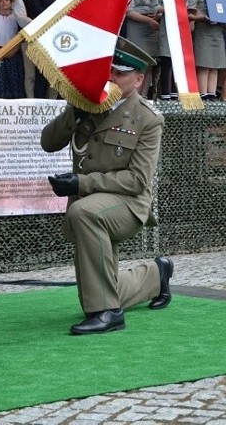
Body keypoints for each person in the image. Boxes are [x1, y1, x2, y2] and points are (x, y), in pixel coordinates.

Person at [40, 37, 174, 335]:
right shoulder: (91, 103)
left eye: (121, 72)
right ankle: (155, 275)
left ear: (139, 80)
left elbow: (137, 180)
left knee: (84, 213)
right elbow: (48, 143)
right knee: (94, 290)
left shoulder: (147, 119)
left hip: (129, 203)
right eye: (109, 70)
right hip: (91, 201)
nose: (112, 77)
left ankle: (107, 312)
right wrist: (73, 111)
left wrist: (81, 182)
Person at [29, 0, 70, 98]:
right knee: (43, 71)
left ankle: (61, 102)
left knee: (61, 70)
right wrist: (54, 17)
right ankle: (39, 104)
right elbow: (35, 8)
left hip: (62, 34)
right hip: (45, 34)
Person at [187, 0, 226, 101]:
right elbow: (189, 14)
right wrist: (202, 18)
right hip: (203, 30)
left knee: (215, 64)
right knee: (204, 63)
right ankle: (203, 93)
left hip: (216, 32)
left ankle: (211, 93)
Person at [123, 0, 161, 98]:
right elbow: (128, 11)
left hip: (152, 28)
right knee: (137, 63)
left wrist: (158, 16)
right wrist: (148, 20)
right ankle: (133, 95)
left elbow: (158, 7)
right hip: (137, 27)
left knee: (149, 64)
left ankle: (144, 96)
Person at [157, 0, 189, 101]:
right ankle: (165, 94)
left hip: (180, 26)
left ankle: (176, 93)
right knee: (167, 60)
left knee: (178, 61)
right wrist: (169, 8)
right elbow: (155, 6)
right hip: (167, 25)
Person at [12, 0, 40, 98]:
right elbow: (21, 19)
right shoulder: (20, 0)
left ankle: (50, 101)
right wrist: (41, 23)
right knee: (30, 74)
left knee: (50, 73)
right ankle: (31, 100)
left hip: (45, 40)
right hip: (29, 41)